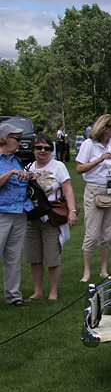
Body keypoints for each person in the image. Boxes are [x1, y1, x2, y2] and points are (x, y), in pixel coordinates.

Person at [76, 114, 111, 282]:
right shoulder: (89, 145)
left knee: (108, 233)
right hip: (94, 190)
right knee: (92, 234)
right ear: (105, 128)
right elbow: (79, 169)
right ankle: (86, 271)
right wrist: (100, 159)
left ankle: (104, 269)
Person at [25, 133, 77, 301]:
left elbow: (67, 189)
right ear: (33, 150)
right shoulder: (28, 168)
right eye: (39, 148)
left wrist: (72, 211)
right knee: (34, 257)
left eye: (46, 148)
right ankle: (37, 291)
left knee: (52, 257)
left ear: (51, 150)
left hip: (52, 216)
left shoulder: (58, 166)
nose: (42, 151)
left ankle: (53, 291)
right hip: (32, 217)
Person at [0, 122, 34, 308]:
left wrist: (28, 176)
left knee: (13, 256)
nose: (20, 143)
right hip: (2, 212)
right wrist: (12, 173)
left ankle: (13, 296)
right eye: (17, 139)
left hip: (19, 212)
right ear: (5, 138)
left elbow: (20, 178)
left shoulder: (14, 159)